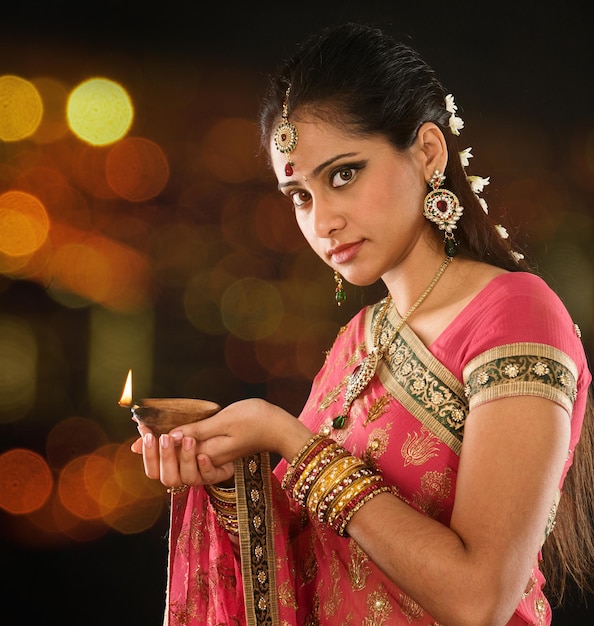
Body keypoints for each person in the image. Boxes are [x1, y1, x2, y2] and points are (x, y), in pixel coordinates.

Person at [131, 22, 594, 626]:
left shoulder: (516, 315)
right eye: (299, 194)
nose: (322, 221)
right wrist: (227, 477)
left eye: (343, 174)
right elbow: (308, 552)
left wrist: (287, 439)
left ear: (428, 153)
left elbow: (478, 599)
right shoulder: (361, 337)